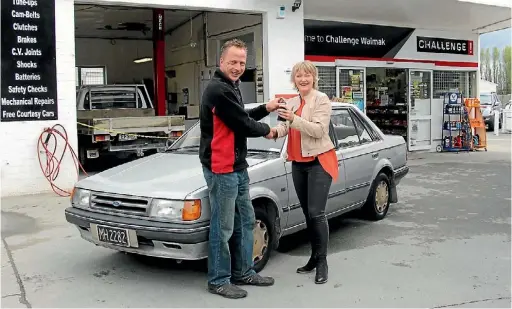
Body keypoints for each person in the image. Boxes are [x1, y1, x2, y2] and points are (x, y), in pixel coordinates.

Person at [199, 38, 280, 299]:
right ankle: (219, 279)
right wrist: (271, 130)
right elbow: (243, 124)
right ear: (220, 61)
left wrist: (265, 108)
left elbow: (241, 118)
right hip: (221, 167)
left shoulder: (231, 86)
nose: (237, 67)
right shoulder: (217, 90)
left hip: (237, 165)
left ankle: (244, 271)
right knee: (223, 227)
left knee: (245, 221)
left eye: (242, 63)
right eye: (232, 62)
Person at [270, 60, 338, 284]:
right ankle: (313, 257)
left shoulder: (321, 99)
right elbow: (283, 128)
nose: (303, 79)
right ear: (294, 80)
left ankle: (323, 263)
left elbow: (319, 130)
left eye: (307, 75)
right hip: (298, 163)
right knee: (308, 214)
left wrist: (294, 119)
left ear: (314, 77)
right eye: (299, 76)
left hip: (319, 161)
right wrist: (269, 132)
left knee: (317, 212)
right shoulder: (289, 102)